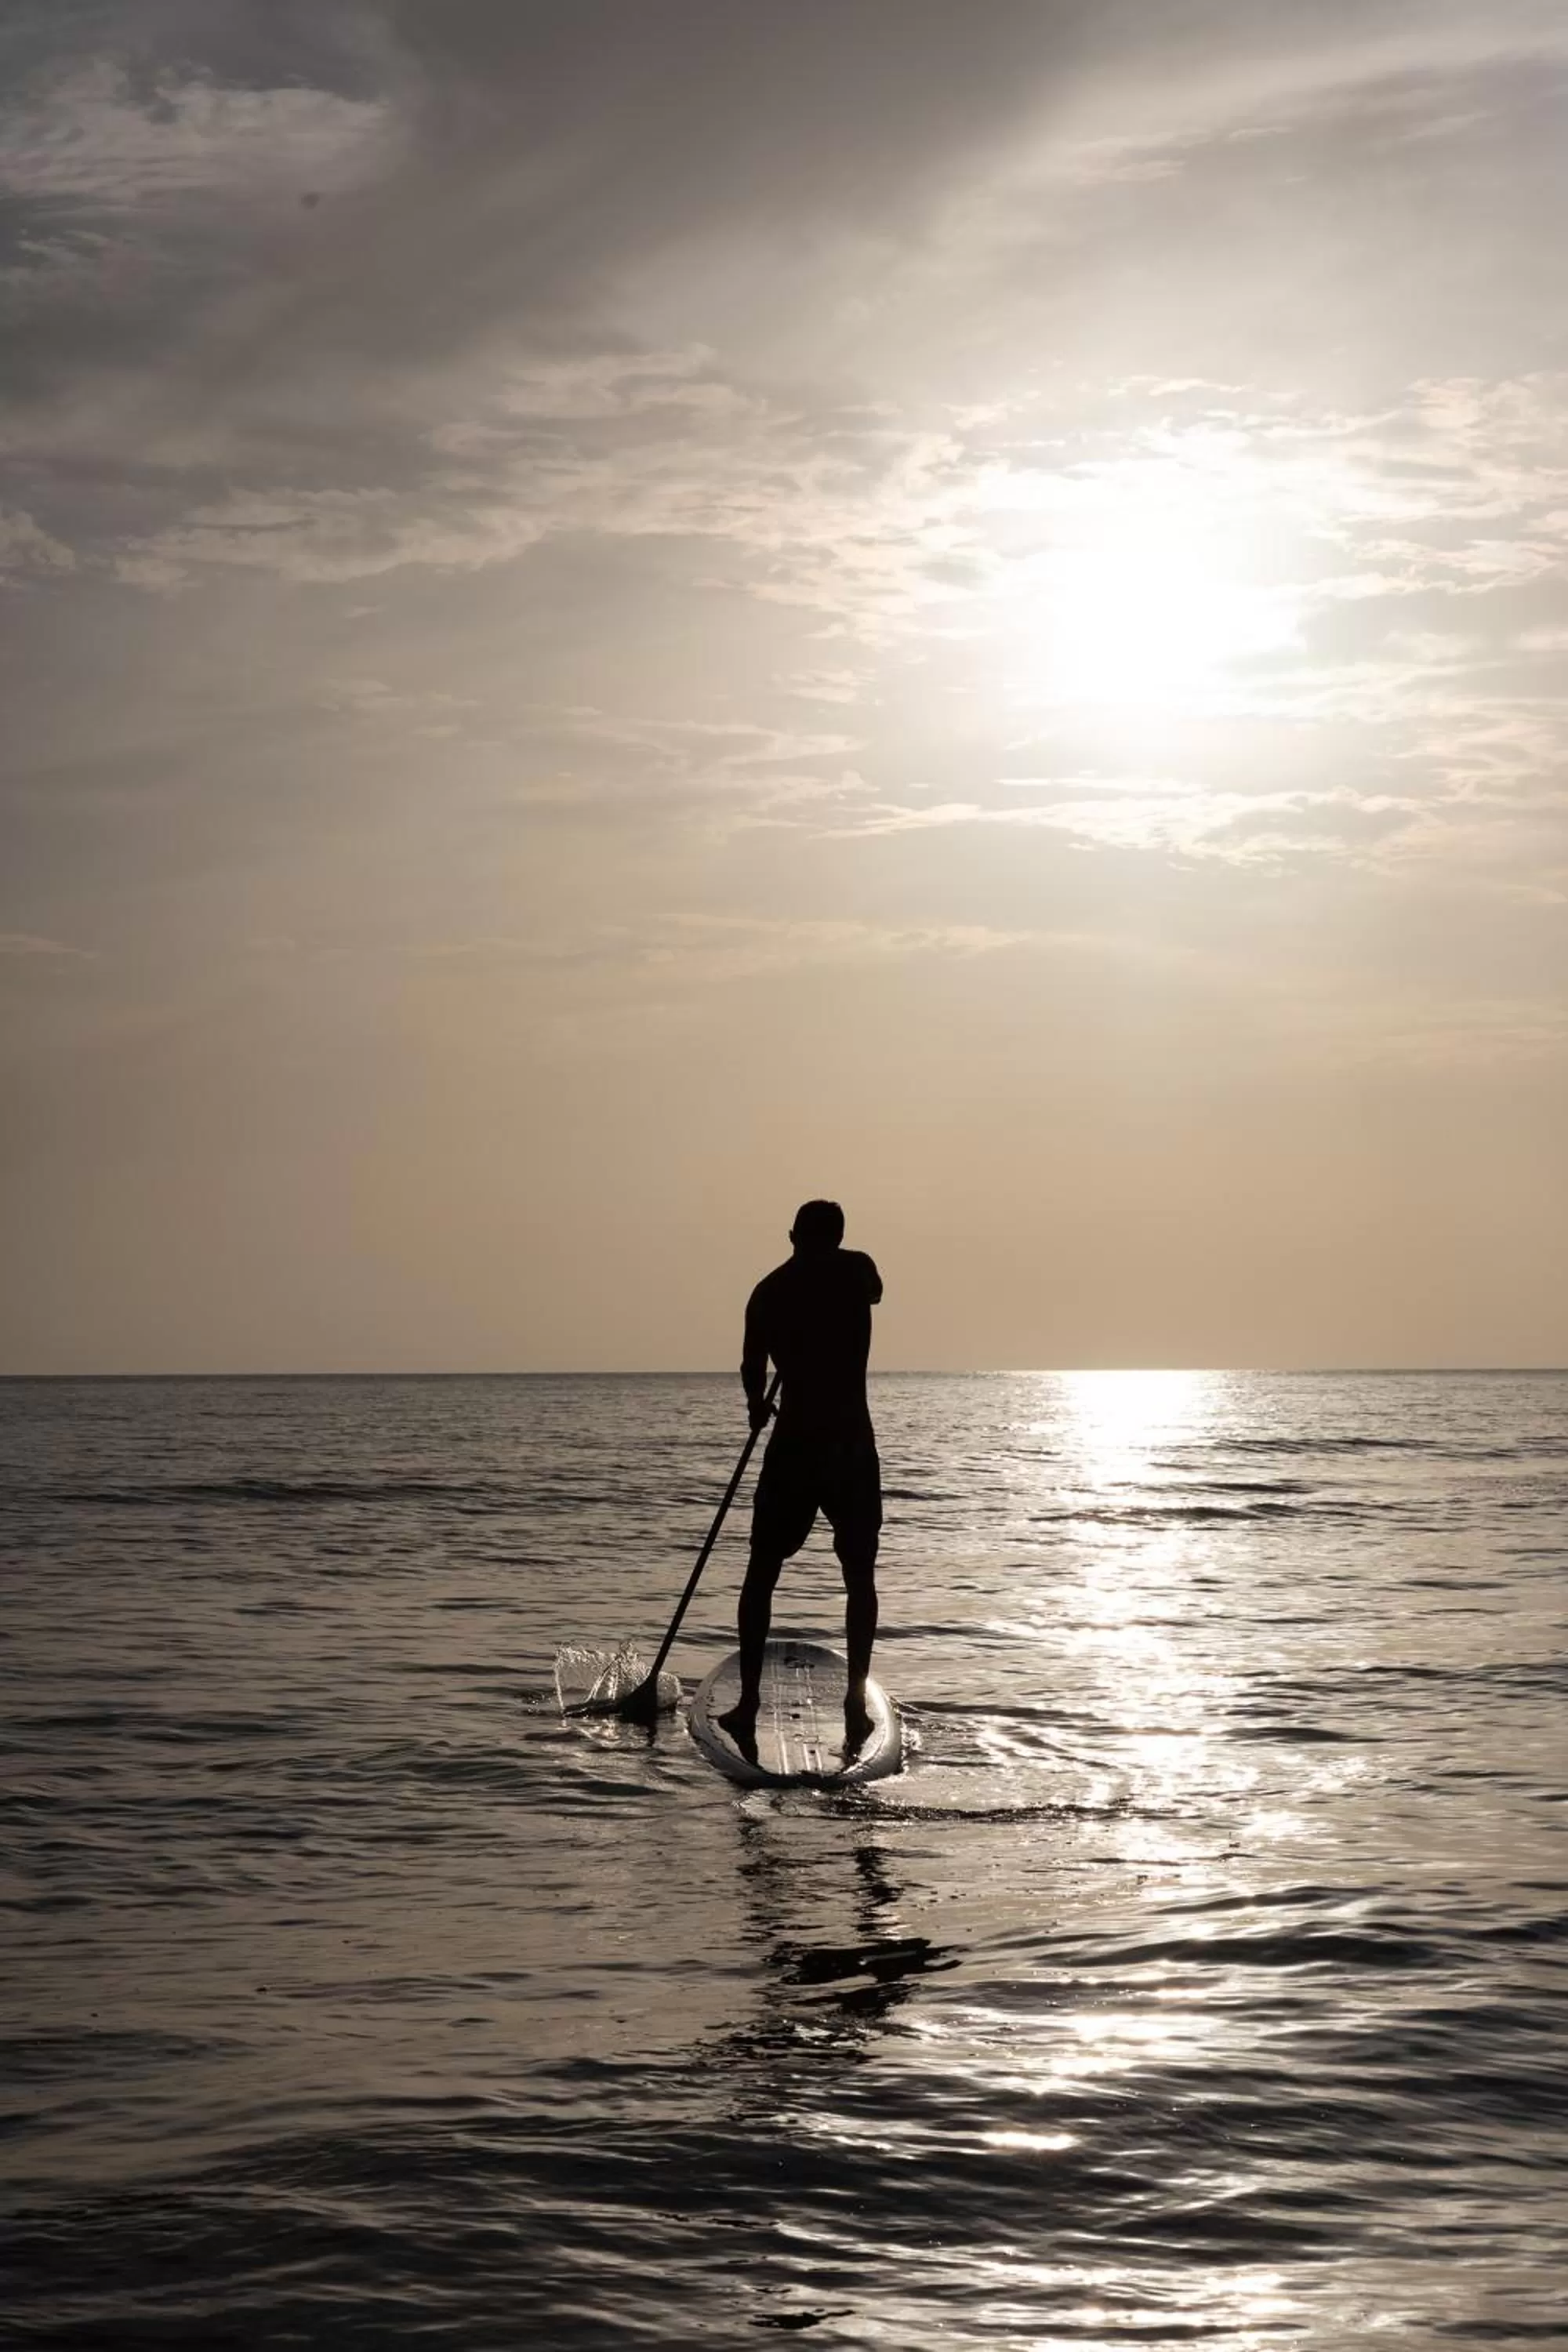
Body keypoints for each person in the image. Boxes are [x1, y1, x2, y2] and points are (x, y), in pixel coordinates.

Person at [717, 1200, 884, 1760]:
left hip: (798, 1447)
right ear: (837, 1236)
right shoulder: (855, 1269)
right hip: (849, 1446)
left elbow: (751, 1365)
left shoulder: (770, 1291)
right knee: (858, 1573)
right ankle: (854, 1704)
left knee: (762, 1569)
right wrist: (754, 1401)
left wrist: (753, 1407)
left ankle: (749, 1703)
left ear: (791, 1235)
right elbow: (875, 1288)